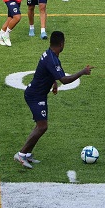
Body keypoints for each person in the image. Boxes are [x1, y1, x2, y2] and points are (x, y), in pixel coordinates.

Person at [14, 31, 93, 169]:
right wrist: (82, 72)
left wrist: (53, 83)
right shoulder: (52, 58)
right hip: (35, 96)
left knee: (41, 125)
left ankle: (26, 154)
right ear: (61, 44)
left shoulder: (50, 54)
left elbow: (48, 72)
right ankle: (21, 154)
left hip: (38, 94)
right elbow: (64, 79)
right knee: (42, 126)